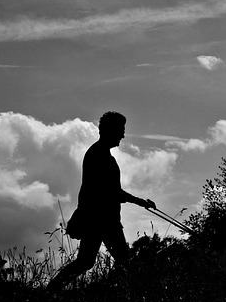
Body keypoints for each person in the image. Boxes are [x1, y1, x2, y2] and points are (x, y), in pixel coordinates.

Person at [49, 111, 156, 291]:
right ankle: (130, 299)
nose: (123, 134)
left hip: (98, 220)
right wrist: (140, 202)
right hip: (103, 221)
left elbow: (107, 192)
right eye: (120, 129)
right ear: (110, 130)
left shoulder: (98, 154)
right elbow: (112, 192)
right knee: (123, 262)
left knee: (86, 262)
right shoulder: (99, 156)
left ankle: (50, 292)